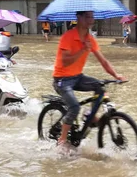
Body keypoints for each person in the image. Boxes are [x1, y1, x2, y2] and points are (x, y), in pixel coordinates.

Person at [52, 11, 127, 150]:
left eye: (92, 16)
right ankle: (61, 141)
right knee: (74, 107)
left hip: (77, 77)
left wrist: (116, 76)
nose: (91, 20)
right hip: (61, 79)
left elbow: (103, 61)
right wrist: (82, 50)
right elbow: (65, 61)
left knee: (99, 87)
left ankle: (91, 116)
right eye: (87, 16)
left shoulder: (90, 39)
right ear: (79, 18)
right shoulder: (68, 37)